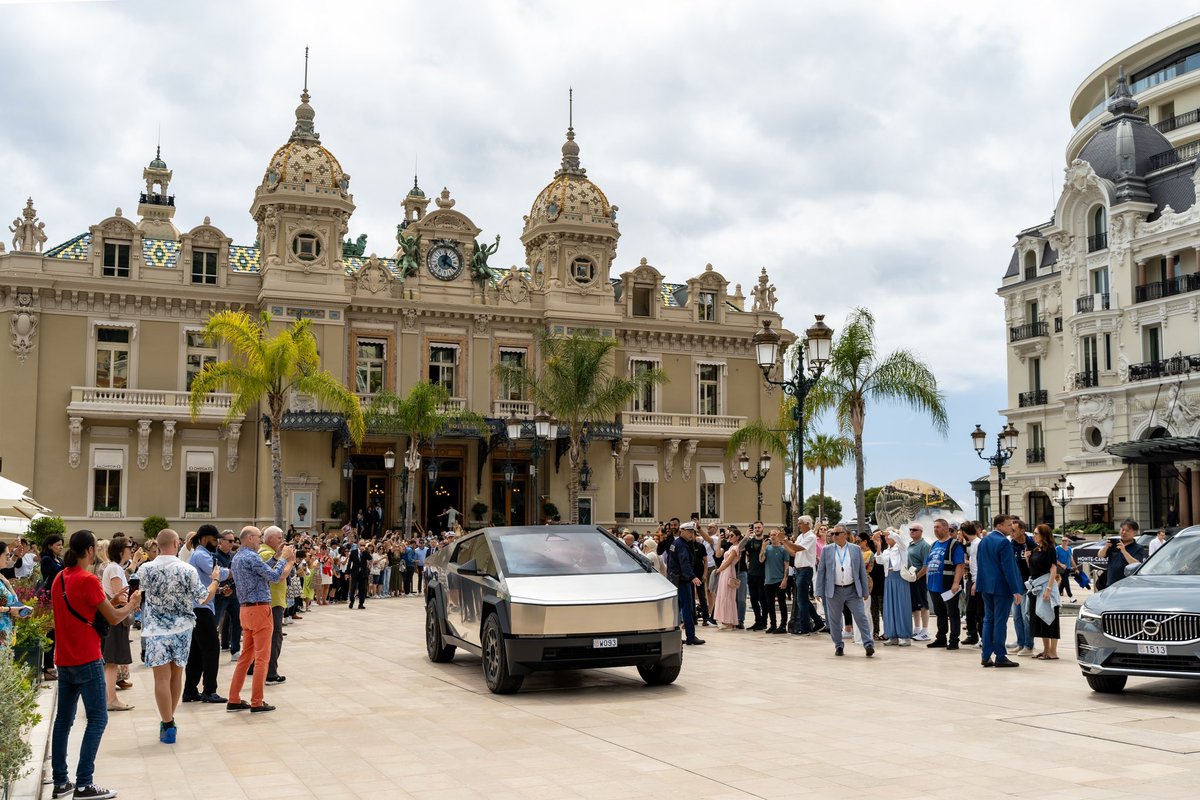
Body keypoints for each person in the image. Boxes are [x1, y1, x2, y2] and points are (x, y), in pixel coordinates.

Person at [49, 529, 141, 800]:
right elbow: (113, 618)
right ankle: (84, 783)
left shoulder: (60, 578)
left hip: (64, 659)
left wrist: (110, 602)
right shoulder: (88, 579)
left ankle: (60, 782)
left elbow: (85, 609)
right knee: (98, 719)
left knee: (63, 721)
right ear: (90, 551)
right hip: (87, 658)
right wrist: (132, 604)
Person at [137, 529, 220, 744]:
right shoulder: (187, 569)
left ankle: (167, 722)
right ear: (176, 543)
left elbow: (137, 589)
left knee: (161, 679)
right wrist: (215, 581)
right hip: (182, 628)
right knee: (176, 676)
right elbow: (203, 598)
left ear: (157, 545)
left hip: (156, 629)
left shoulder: (146, 569)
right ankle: (169, 720)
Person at [227, 526, 295, 712]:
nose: (261, 539)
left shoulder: (238, 557)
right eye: (259, 537)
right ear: (249, 538)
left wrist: (276, 557)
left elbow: (262, 571)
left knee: (245, 657)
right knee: (262, 658)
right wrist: (284, 559)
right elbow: (274, 577)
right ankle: (257, 700)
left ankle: (233, 698)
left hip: (246, 610)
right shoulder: (251, 556)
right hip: (259, 609)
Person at [182, 525, 229, 704]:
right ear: (203, 539)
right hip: (201, 609)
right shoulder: (201, 555)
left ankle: (190, 690)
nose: (217, 542)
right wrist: (232, 572)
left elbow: (202, 584)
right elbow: (215, 574)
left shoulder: (199, 554)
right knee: (211, 650)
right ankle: (210, 690)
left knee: (196, 651)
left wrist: (219, 590)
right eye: (214, 539)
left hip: (198, 606)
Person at [815, 526, 874, 657]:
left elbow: (861, 572)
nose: (833, 536)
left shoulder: (855, 549)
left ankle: (868, 643)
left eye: (836, 533)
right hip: (834, 590)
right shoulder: (827, 550)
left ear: (845, 535)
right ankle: (838, 645)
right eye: (832, 534)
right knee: (834, 620)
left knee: (861, 617)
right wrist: (818, 590)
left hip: (852, 589)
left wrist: (865, 591)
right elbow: (821, 571)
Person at [975, 515, 1024, 668]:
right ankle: (1000, 656)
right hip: (1001, 587)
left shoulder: (984, 541)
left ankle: (986, 655)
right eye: (1008, 525)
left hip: (986, 586)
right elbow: (1008, 568)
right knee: (1000, 622)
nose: (1011, 528)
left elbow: (979, 563)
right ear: (998, 526)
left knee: (988, 620)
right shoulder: (1004, 542)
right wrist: (1016, 589)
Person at [100, 538, 135, 711]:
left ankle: (110, 698)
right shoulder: (114, 568)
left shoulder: (115, 568)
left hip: (114, 617)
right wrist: (133, 602)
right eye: (129, 547)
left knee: (111, 661)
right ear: (121, 550)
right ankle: (111, 699)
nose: (132, 550)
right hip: (116, 618)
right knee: (112, 661)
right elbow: (119, 595)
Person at [780, 515, 825, 635]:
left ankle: (805, 627)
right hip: (799, 570)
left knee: (801, 600)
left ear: (807, 524)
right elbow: (793, 552)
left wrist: (785, 540)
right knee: (803, 599)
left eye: (800, 523)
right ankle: (818, 622)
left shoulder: (811, 536)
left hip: (805, 570)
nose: (798, 525)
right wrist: (784, 543)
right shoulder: (801, 536)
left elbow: (798, 548)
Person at [925, 518, 965, 650]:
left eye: (938, 527)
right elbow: (928, 564)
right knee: (939, 612)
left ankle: (954, 640)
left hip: (947, 585)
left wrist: (955, 583)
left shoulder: (954, 545)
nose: (935, 529)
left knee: (952, 612)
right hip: (933, 585)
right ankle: (941, 638)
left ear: (946, 528)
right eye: (934, 527)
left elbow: (960, 565)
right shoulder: (933, 545)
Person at [259, 526, 291, 682]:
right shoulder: (266, 554)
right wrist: (289, 561)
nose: (282, 541)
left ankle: (258, 668)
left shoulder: (267, 553)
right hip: (273, 601)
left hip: (271, 600)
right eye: (279, 538)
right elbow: (278, 576)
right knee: (274, 637)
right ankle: (271, 673)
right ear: (270, 539)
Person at [666, 521, 704, 645]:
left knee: (676, 609)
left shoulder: (676, 543)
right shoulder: (682, 545)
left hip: (675, 580)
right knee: (687, 609)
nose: (691, 534)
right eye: (689, 531)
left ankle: (674, 636)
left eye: (692, 532)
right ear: (682, 531)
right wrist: (692, 576)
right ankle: (691, 636)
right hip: (682, 580)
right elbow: (684, 563)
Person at [1028, 524, 1061, 660]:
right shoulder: (1036, 550)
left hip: (1046, 586)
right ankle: (1046, 650)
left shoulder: (1050, 549)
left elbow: (1053, 570)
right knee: (1041, 618)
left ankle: (1053, 651)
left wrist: (1048, 589)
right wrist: (1027, 558)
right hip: (1036, 586)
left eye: (1036, 533)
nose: (1034, 535)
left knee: (1050, 618)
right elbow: (1033, 569)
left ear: (1043, 535)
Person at [879, 529, 912, 646]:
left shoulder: (901, 546)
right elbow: (879, 561)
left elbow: (899, 539)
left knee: (901, 606)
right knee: (890, 608)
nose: (887, 537)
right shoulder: (887, 550)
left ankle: (905, 636)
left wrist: (889, 531)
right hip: (888, 579)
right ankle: (892, 635)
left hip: (900, 578)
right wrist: (878, 546)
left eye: (889, 535)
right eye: (886, 536)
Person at [1008, 519, 1035, 657]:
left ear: (1022, 530)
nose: (1011, 533)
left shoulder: (1031, 544)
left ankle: (1028, 645)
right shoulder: (1011, 544)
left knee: (1026, 616)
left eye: (1014, 530)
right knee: (1017, 616)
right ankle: (1020, 642)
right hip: (1015, 586)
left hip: (1027, 585)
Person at [40, 534, 65, 681]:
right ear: (50, 546)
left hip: (59, 598)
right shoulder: (47, 559)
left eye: (62, 545)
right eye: (57, 545)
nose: (60, 547)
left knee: (56, 634)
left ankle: (51, 665)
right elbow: (56, 574)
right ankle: (48, 666)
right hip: (50, 600)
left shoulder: (58, 559)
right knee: (51, 633)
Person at [214, 530, 242, 660]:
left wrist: (232, 587)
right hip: (219, 595)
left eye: (234, 541)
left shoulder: (234, 556)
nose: (232, 543)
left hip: (233, 594)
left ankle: (235, 650)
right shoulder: (214, 556)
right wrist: (222, 588)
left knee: (238, 621)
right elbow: (215, 575)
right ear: (221, 541)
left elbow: (238, 574)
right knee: (215, 623)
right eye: (230, 541)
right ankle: (211, 648)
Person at [759, 529, 789, 634]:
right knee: (770, 604)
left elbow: (786, 565)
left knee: (781, 603)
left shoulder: (783, 549)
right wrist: (763, 548)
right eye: (771, 535)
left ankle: (783, 625)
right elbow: (761, 560)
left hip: (779, 580)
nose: (772, 537)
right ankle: (773, 624)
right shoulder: (767, 548)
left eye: (774, 535)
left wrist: (785, 579)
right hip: (768, 580)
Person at [1099, 519, 1145, 588]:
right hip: (1111, 582)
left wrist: (1124, 551)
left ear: (1135, 533)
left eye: (1127, 530)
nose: (1124, 532)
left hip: (1128, 584)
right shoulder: (1114, 544)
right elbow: (1100, 555)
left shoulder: (1138, 548)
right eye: (1122, 529)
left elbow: (1136, 564)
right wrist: (1106, 547)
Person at [906, 523, 932, 641]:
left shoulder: (924, 545)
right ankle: (917, 629)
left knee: (923, 604)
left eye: (915, 530)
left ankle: (925, 630)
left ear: (921, 532)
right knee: (914, 605)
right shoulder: (910, 545)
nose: (912, 531)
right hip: (911, 578)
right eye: (911, 530)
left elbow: (926, 565)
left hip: (919, 578)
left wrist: (917, 576)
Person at [961, 522, 984, 646]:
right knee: (971, 610)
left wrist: (975, 582)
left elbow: (977, 565)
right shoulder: (973, 544)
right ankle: (975, 635)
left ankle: (983, 638)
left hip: (976, 580)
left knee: (979, 611)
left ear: (964, 532)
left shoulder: (977, 544)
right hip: (974, 579)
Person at [713, 529, 740, 630]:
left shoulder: (736, 548)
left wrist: (719, 570)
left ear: (737, 537)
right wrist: (720, 539)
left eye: (732, 535)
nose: (730, 537)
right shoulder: (730, 547)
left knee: (728, 595)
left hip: (728, 570)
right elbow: (717, 554)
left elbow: (728, 561)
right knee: (723, 595)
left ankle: (729, 621)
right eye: (729, 535)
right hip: (725, 571)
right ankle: (725, 620)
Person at [346, 541, 371, 609]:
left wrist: (365, 551)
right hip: (354, 572)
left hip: (363, 573)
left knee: (362, 589)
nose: (362, 546)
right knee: (353, 588)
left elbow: (370, 558)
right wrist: (347, 572)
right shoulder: (353, 552)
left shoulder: (365, 552)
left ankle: (361, 604)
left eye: (363, 545)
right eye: (361, 545)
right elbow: (349, 562)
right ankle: (352, 601)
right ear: (358, 545)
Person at [1055, 534, 1076, 600]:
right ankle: (1071, 596)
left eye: (1065, 541)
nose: (1064, 542)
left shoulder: (1069, 549)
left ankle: (1057, 596)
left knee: (1063, 582)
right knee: (1066, 581)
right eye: (1063, 540)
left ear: (1068, 542)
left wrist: (1075, 568)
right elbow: (1055, 559)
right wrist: (1061, 564)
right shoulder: (1057, 548)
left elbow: (1071, 559)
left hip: (1068, 568)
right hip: (1061, 568)